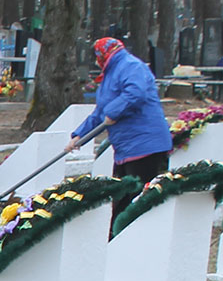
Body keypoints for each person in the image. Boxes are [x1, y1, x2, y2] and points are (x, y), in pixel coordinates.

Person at [70, 36, 173, 211]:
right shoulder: (111, 74)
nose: (96, 61)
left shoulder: (130, 66)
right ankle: (117, 236)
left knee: (137, 200)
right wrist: (79, 136)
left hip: (144, 145)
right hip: (127, 147)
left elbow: (135, 93)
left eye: (96, 56)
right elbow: (100, 112)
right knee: (122, 199)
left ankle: (134, 236)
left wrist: (114, 112)